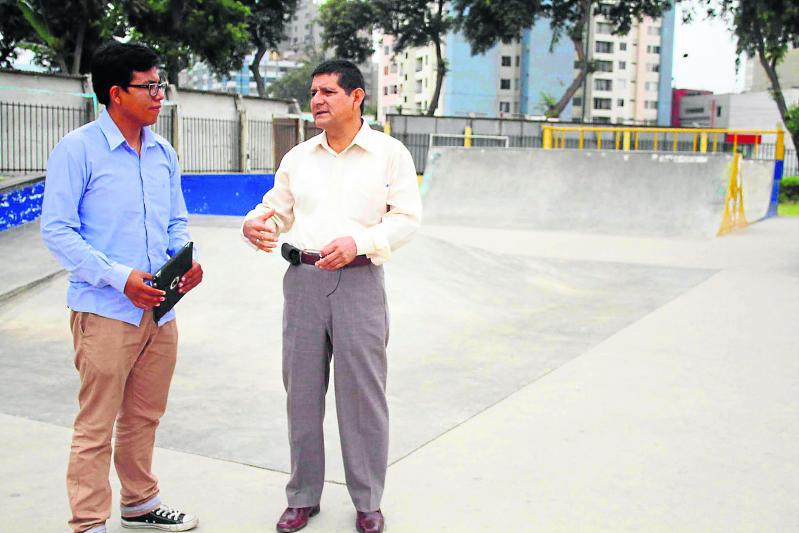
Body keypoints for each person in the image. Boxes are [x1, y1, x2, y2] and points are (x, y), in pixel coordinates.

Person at [242, 59, 422, 533]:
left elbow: (406, 218)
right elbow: (277, 210)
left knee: (362, 397)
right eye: (313, 92)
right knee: (301, 394)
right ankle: (302, 497)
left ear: (357, 96)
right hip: (303, 281)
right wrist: (256, 222)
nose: (317, 101)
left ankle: (367, 501)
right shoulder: (298, 158)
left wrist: (359, 243)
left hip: (360, 282)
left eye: (328, 92)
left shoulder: (389, 154)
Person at [40, 41, 202, 533]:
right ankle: (90, 522)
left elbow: (175, 220)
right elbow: (57, 230)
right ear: (115, 93)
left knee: (144, 416)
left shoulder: (163, 153)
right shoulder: (78, 150)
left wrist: (185, 260)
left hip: (161, 311)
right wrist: (119, 278)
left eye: (161, 84)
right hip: (105, 311)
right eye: (149, 86)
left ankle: (140, 502)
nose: (160, 95)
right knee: (96, 425)